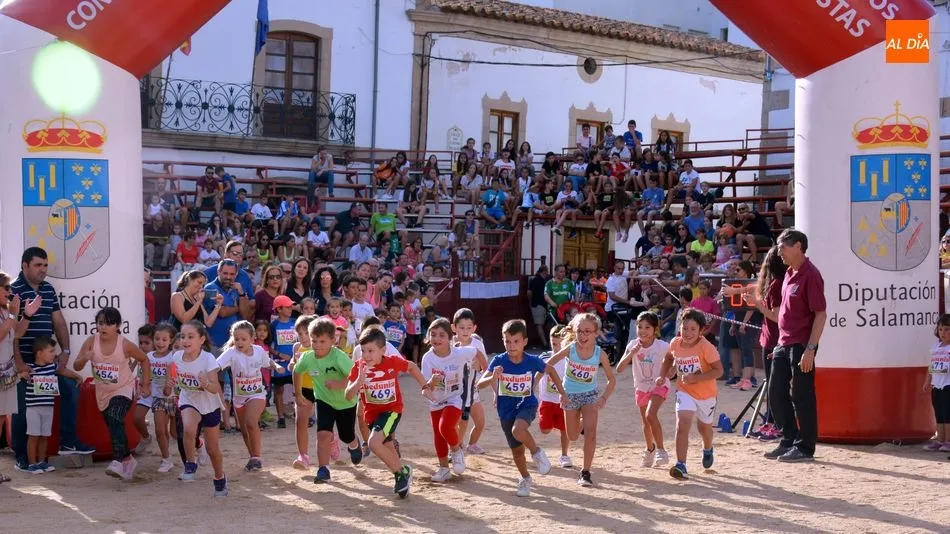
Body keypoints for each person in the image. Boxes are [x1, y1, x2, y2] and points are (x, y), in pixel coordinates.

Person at [11, 248, 95, 472]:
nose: (43, 270)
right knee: (21, 409)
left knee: (70, 388)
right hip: (23, 366)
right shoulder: (13, 290)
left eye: (45, 265)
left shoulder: (48, 289)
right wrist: (18, 363)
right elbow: (12, 332)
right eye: (38, 265)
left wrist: (65, 351)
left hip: (48, 366)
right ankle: (21, 456)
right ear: (24, 265)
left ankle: (68, 442)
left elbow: (58, 322)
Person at [477, 319, 561, 497]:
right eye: (507, 341)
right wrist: (493, 377)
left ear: (525, 341)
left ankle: (537, 453)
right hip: (505, 410)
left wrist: (562, 393)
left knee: (518, 430)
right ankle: (525, 478)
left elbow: (551, 370)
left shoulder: (532, 360)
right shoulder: (499, 361)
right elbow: (480, 384)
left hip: (527, 404)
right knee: (516, 451)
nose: (511, 345)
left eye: (516, 341)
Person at [345, 326, 430, 498]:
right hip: (372, 415)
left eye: (371, 351)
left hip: (392, 411)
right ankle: (402, 473)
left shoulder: (392, 362)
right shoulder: (358, 367)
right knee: (388, 447)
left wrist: (424, 386)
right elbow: (348, 395)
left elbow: (412, 367)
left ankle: (401, 473)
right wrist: (358, 382)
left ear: (383, 350)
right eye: (363, 350)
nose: (366, 355)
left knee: (373, 443)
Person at [766, 229, 825, 463]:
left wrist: (810, 349)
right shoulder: (789, 273)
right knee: (775, 393)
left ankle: (805, 447)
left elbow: (820, 314)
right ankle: (789, 438)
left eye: (783, 247)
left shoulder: (811, 274)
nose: (779, 252)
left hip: (801, 344)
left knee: (802, 395)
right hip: (783, 343)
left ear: (798, 246)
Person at [73, 307, 151, 480]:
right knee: (114, 426)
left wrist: (145, 384)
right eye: (100, 323)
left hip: (124, 388)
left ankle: (117, 461)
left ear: (117, 326)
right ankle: (127, 459)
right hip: (103, 393)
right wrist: (85, 357)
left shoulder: (125, 344)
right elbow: (77, 366)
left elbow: (144, 359)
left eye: (108, 324)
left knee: (115, 418)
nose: (103, 327)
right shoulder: (91, 341)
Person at [545, 313, 616, 487]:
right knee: (573, 435)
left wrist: (604, 398)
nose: (583, 335)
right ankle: (582, 422)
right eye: (580, 331)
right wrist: (561, 391)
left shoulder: (600, 354)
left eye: (587, 331)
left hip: (590, 396)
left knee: (591, 435)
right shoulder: (570, 349)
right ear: (574, 332)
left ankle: (585, 472)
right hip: (570, 396)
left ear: (596, 333)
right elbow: (549, 365)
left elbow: (612, 380)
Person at [293, 318, 364, 483]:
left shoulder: (339, 357)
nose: (317, 345)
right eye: (314, 341)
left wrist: (338, 384)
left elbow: (355, 377)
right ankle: (323, 469)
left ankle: (354, 443)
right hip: (324, 401)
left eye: (322, 341)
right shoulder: (307, 357)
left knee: (346, 435)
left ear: (333, 340)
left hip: (346, 402)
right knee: (323, 434)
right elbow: (297, 371)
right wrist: (297, 393)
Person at [657, 308, 723, 480]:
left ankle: (707, 448)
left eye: (693, 329)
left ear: (701, 331)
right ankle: (681, 464)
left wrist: (696, 378)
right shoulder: (675, 343)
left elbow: (719, 371)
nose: (688, 333)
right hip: (684, 391)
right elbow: (669, 358)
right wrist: (663, 375)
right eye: (684, 328)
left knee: (704, 428)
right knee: (682, 423)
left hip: (706, 394)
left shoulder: (706, 347)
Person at [166, 321, 228, 496]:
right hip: (189, 399)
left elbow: (216, 388)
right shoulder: (176, 357)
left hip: (209, 403)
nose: (185, 340)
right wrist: (169, 384)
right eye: (183, 336)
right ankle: (190, 463)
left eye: (190, 337)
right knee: (188, 429)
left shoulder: (208, 359)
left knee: (212, 449)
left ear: (201, 340)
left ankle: (219, 477)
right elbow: (170, 375)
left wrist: (205, 384)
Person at [420, 318, 485, 482]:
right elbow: (425, 388)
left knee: (445, 426)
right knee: (438, 435)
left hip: (456, 397)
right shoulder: (427, 358)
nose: (436, 339)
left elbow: (477, 352)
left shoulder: (460, 353)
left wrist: (484, 370)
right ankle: (444, 469)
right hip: (436, 400)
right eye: (433, 334)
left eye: (441, 335)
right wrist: (431, 383)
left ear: (450, 338)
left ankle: (456, 450)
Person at [216, 321, 276, 471]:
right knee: (244, 429)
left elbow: (267, 362)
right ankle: (252, 457)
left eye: (243, 339)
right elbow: (216, 366)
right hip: (239, 397)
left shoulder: (259, 350)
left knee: (251, 422)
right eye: (236, 339)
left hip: (257, 394)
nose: (240, 342)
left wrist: (277, 366)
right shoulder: (231, 353)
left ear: (252, 338)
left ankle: (257, 457)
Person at [616, 311, 671, 468]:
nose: (643, 331)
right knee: (646, 422)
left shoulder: (662, 346)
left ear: (655, 329)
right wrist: (631, 353)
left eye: (647, 327)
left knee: (650, 414)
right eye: (640, 327)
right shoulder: (633, 345)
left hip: (659, 386)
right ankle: (650, 449)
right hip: (641, 387)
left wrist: (669, 373)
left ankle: (661, 450)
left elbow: (673, 359)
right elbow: (619, 368)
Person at [25, 336, 80, 473]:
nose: (54, 354)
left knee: (44, 436)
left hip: (48, 407)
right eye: (51, 351)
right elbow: (19, 373)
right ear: (39, 353)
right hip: (33, 408)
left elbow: (63, 370)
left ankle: (42, 462)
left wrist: (77, 376)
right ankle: (32, 464)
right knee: (33, 436)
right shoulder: (30, 368)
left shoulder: (52, 366)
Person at [0, 271, 35, 483]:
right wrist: (13, 315)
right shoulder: (8, 313)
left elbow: (17, 333)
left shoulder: (6, 311)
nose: (10, 292)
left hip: (6, 374)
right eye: (6, 288)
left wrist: (27, 315)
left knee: (1, 418)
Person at [452, 308, 488, 455]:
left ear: (474, 328)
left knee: (479, 422)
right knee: (458, 422)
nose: (465, 331)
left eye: (468, 328)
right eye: (461, 327)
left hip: (473, 390)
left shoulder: (478, 345)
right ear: (454, 328)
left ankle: (471, 445)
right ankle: (455, 448)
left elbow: (485, 367)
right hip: (454, 391)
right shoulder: (449, 344)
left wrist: (478, 366)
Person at [536, 326, 572, 469]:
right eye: (553, 344)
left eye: (559, 344)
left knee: (565, 430)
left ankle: (564, 455)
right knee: (545, 429)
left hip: (564, 401)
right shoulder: (545, 357)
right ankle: (553, 423)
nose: (556, 347)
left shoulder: (570, 358)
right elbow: (538, 372)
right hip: (547, 400)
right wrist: (532, 386)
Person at [148, 323, 178, 473]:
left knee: (175, 433)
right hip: (158, 398)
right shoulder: (148, 357)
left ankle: (199, 445)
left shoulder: (174, 356)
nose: (160, 342)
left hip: (175, 399)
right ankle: (166, 459)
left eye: (164, 339)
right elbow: (144, 376)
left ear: (171, 341)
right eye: (157, 339)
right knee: (160, 430)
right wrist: (142, 387)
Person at [924, 315, 950, 453]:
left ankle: (948, 441)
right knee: (939, 414)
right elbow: (931, 365)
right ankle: (940, 440)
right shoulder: (936, 347)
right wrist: (927, 381)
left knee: (948, 415)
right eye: (940, 329)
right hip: (937, 386)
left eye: (947, 329)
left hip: (948, 385)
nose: (943, 332)